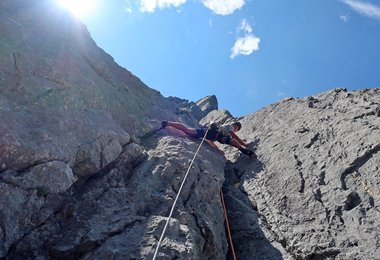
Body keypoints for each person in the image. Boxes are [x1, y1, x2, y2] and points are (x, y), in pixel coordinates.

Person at [161, 121, 254, 158]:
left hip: (209, 134)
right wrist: (245, 144)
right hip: (217, 135)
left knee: (187, 131)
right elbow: (234, 136)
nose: (236, 130)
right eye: (237, 129)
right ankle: (242, 149)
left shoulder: (225, 128)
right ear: (236, 126)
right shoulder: (230, 127)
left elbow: (209, 140)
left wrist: (218, 150)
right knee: (231, 140)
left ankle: (168, 124)